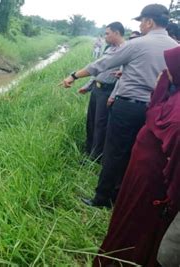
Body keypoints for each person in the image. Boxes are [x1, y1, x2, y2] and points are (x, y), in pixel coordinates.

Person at [61, 4, 178, 208]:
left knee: (114, 151)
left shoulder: (138, 44)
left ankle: (102, 198)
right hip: (155, 110)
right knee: (135, 153)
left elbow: (102, 64)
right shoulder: (174, 47)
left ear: (149, 21)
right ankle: (121, 196)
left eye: (142, 21)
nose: (140, 26)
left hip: (128, 107)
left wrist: (73, 76)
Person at [94, 46, 180, 267]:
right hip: (139, 180)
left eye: (169, 67)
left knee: (137, 231)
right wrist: (164, 81)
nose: (163, 71)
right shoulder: (171, 98)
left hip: (153, 190)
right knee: (126, 222)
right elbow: (154, 105)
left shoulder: (177, 115)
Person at [78, 22, 125, 161]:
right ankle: (89, 150)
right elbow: (98, 69)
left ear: (116, 33)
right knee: (91, 121)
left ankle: (95, 157)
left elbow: (123, 77)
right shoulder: (109, 48)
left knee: (101, 124)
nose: (105, 36)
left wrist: (113, 95)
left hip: (107, 92)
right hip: (97, 90)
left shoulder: (126, 50)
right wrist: (88, 85)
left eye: (107, 33)